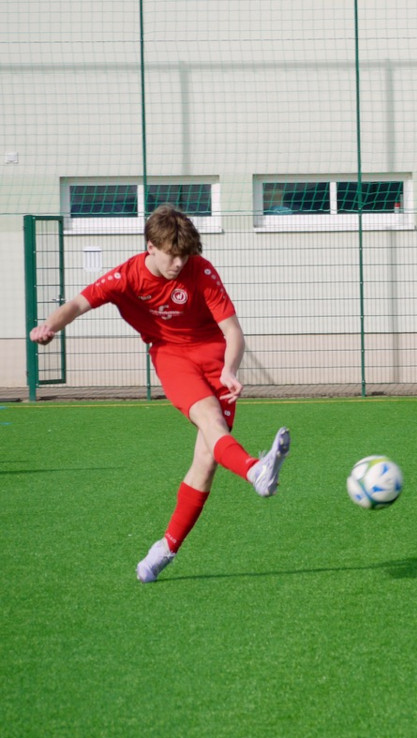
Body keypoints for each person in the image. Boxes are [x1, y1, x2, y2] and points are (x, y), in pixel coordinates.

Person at [28, 205, 291, 582]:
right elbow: (77, 304)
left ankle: (165, 548)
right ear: (150, 246)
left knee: (206, 462)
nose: (179, 262)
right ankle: (254, 470)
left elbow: (233, 331)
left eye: (185, 254)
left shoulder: (200, 270)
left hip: (214, 356)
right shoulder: (126, 277)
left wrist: (229, 370)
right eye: (172, 254)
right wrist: (48, 326)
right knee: (210, 420)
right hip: (171, 357)